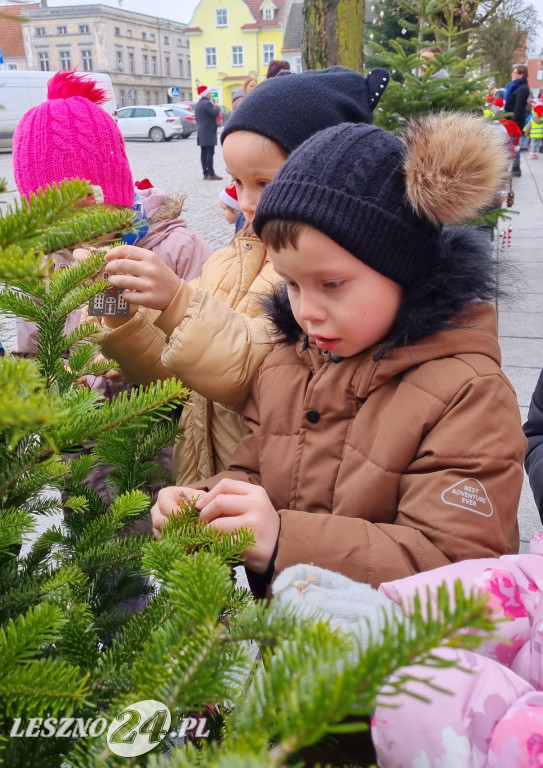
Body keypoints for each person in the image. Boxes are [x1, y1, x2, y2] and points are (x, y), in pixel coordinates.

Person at [151, 112, 525, 596]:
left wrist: (285, 538)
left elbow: (459, 565)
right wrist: (210, 505)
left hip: (407, 665)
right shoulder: (287, 364)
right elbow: (254, 469)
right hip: (292, 650)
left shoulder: (467, 394)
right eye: (291, 284)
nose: (308, 312)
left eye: (332, 284)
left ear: (402, 270)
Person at [94, 67, 390, 487]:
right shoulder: (226, 261)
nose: (247, 203)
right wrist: (122, 316)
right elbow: (174, 375)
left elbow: (253, 371)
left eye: (264, 183)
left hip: (268, 496)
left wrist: (177, 301)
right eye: (237, 182)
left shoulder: (315, 281)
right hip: (207, 481)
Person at [505, 64, 531, 176]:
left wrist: (513, 122)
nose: (512, 74)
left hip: (515, 120)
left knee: (514, 142)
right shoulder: (515, 86)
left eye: (514, 72)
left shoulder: (523, 88)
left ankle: (516, 168)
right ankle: (514, 166)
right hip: (511, 118)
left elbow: (519, 107)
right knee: (512, 142)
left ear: (521, 74)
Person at [194, 84, 222, 181]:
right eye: (209, 92)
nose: (211, 94)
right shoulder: (207, 103)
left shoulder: (198, 104)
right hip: (208, 131)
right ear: (205, 94)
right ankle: (211, 173)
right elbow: (214, 113)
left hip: (201, 131)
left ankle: (205, 173)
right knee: (210, 153)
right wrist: (217, 107)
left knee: (204, 153)